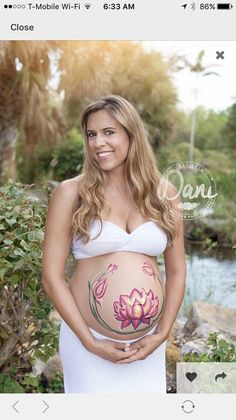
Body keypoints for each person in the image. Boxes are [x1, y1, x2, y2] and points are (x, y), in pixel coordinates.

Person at [41, 95, 186, 393]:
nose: (98, 143)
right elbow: (51, 277)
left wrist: (162, 334)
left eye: (108, 132)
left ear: (131, 134)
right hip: (88, 343)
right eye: (92, 134)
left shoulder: (165, 193)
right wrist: (90, 341)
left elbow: (177, 271)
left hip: (147, 347)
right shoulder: (71, 193)